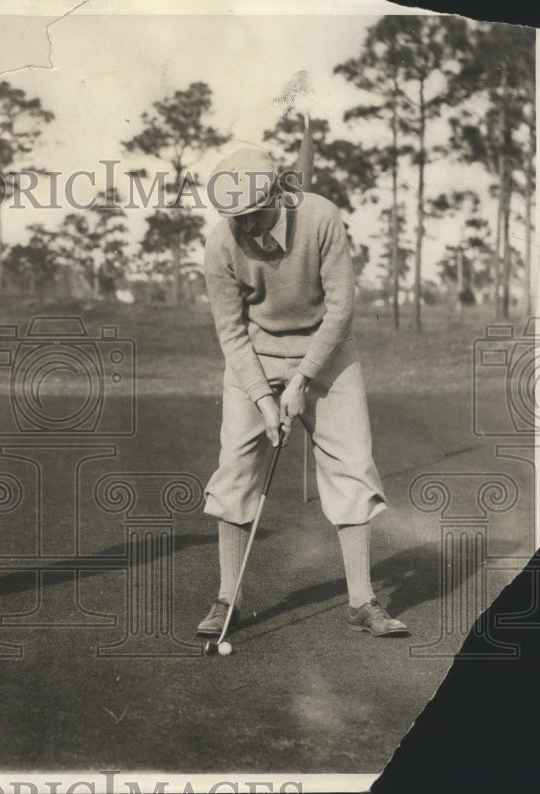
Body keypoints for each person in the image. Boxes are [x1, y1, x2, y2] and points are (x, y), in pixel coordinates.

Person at [197, 126, 408, 641]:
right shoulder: (221, 244)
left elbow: (341, 311)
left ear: (276, 196)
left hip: (328, 352)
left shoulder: (321, 218)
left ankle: (362, 601)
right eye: (235, 215)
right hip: (257, 352)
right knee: (237, 467)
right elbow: (230, 331)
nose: (245, 224)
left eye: (253, 212)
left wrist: (302, 380)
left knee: (351, 465)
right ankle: (229, 598)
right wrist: (264, 399)